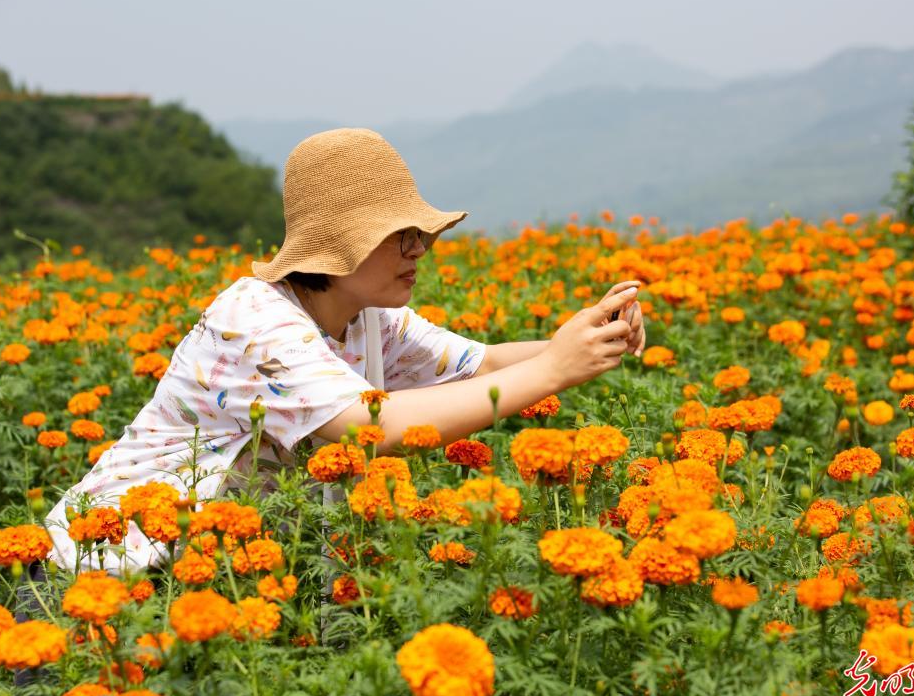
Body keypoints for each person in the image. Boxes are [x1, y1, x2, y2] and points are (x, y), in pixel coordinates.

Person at [42, 127, 646, 576]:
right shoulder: (253, 319)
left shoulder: (369, 317)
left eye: (421, 235)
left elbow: (481, 364)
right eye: (400, 235)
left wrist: (589, 337)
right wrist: (554, 369)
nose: (418, 250)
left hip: (210, 575)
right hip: (104, 572)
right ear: (339, 245)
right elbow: (370, 428)